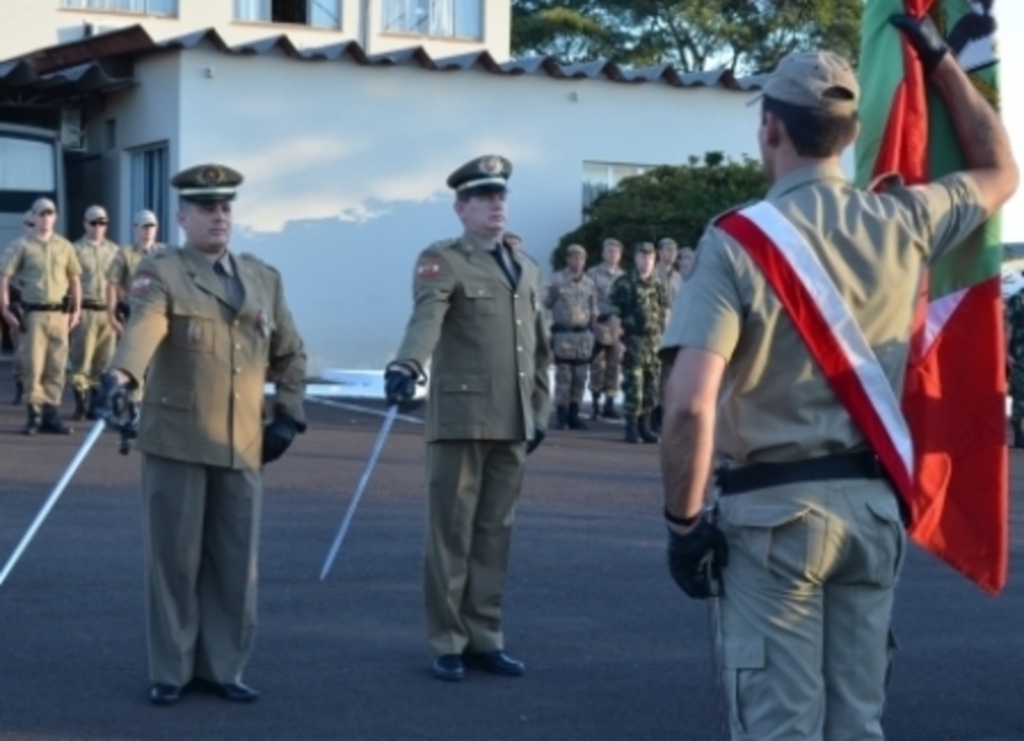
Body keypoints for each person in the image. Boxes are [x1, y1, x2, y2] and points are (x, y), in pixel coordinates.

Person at [659, 30, 1016, 740]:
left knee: (779, 727)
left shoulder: (736, 241)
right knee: (857, 722)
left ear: (770, 128)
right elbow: (1002, 169)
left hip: (773, 516)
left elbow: (691, 406)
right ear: (850, 135)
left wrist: (682, 524)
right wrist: (942, 60)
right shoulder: (904, 217)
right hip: (872, 515)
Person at [99, 164, 307, 706]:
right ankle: (172, 670)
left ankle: (223, 668)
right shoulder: (161, 272)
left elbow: (290, 352)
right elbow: (145, 328)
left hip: (243, 442)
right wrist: (122, 376)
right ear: (182, 216)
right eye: (207, 208)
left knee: (236, 562)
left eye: (225, 208)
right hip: (178, 438)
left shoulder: (263, 277)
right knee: (176, 560)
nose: (219, 217)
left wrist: (288, 413)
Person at [384, 155, 552, 682]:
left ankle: (485, 636)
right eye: (483, 197)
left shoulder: (526, 267)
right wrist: (407, 363)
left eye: (500, 196)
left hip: (512, 419)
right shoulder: (444, 261)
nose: (496, 205)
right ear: (461, 208)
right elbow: (426, 318)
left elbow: (538, 349)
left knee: (494, 533)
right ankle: (447, 640)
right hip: (461, 416)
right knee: (450, 534)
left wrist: (540, 410)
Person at [0, 198, 81, 435]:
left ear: (55, 217)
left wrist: (76, 311)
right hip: (33, 315)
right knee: (33, 365)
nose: (46, 218)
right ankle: (34, 415)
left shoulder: (65, 247)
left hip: (59, 315)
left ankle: (51, 414)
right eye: (41, 214)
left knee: (57, 365)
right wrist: (4, 308)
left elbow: (75, 279)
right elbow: (4, 277)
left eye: (50, 213)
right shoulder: (22, 246)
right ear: (33, 217)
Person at [609, 242, 668, 444]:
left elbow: (664, 313)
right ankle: (631, 428)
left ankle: (645, 427)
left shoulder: (658, 284)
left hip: (653, 343)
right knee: (634, 387)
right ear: (635, 258)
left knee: (652, 388)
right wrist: (617, 341)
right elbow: (614, 314)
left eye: (650, 259)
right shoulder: (624, 283)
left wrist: (666, 338)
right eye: (643, 257)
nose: (646, 262)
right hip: (632, 340)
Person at [69, 205, 119, 420]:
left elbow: (119, 282)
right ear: (85, 224)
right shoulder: (74, 250)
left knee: (104, 361)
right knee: (82, 360)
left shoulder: (115, 251)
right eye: (94, 223)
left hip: (107, 312)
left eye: (102, 223)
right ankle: (80, 404)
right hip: (86, 310)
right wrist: (73, 311)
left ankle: (96, 406)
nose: (98, 227)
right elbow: (69, 282)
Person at [545, 243, 598, 430]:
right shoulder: (557, 281)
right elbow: (545, 304)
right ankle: (561, 415)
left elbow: (594, 311)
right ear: (567, 259)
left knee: (580, 378)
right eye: (574, 258)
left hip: (583, 337)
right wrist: (546, 331)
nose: (578, 261)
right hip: (564, 335)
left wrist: (594, 334)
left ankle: (574, 414)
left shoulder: (590, 283)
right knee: (564, 378)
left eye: (581, 258)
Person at [107, 209, 165, 335]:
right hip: (133, 314)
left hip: (158, 314)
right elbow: (112, 283)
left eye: (152, 226)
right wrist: (112, 316)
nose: (148, 231)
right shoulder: (126, 254)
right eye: (144, 227)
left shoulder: (164, 253)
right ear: (136, 228)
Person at [586, 238, 625, 419]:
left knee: (614, 367)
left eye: (616, 252)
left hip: (617, 327)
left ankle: (609, 402)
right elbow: (588, 299)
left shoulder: (624, 276)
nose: (612, 254)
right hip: (599, 326)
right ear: (603, 253)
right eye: (609, 251)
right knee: (597, 366)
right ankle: (595, 403)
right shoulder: (593, 274)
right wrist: (592, 322)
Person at [3, 211, 34, 405]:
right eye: (29, 223)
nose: (33, 226)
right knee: (20, 350)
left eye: (35, 223)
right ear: (24, 225)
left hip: (45, 306)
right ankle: (20, 387)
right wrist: (7, 307)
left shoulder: (54, 247)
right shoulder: (15, 248)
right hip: (20, 303)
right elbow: (5, 279)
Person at [1006, 283, 1024, 447]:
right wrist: (1006, 353)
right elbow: (1008, 328)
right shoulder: (1017, 300)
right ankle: (1018, 435)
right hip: (1020, 357)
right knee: (1020, 396)